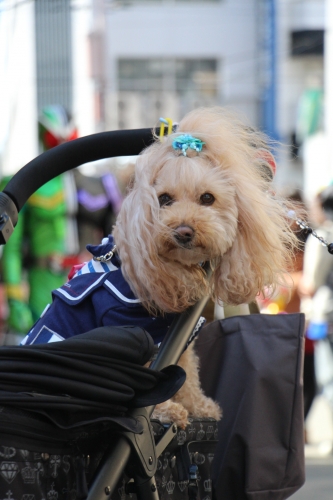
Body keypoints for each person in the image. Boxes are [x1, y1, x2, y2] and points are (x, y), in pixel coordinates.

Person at [0, 105, 123, 342]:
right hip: (44, 281)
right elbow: (12, 249)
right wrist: (15, 300)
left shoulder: (100, 185)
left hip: (89, 279)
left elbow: (118, 241)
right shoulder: (27, 184)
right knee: (43, 349)